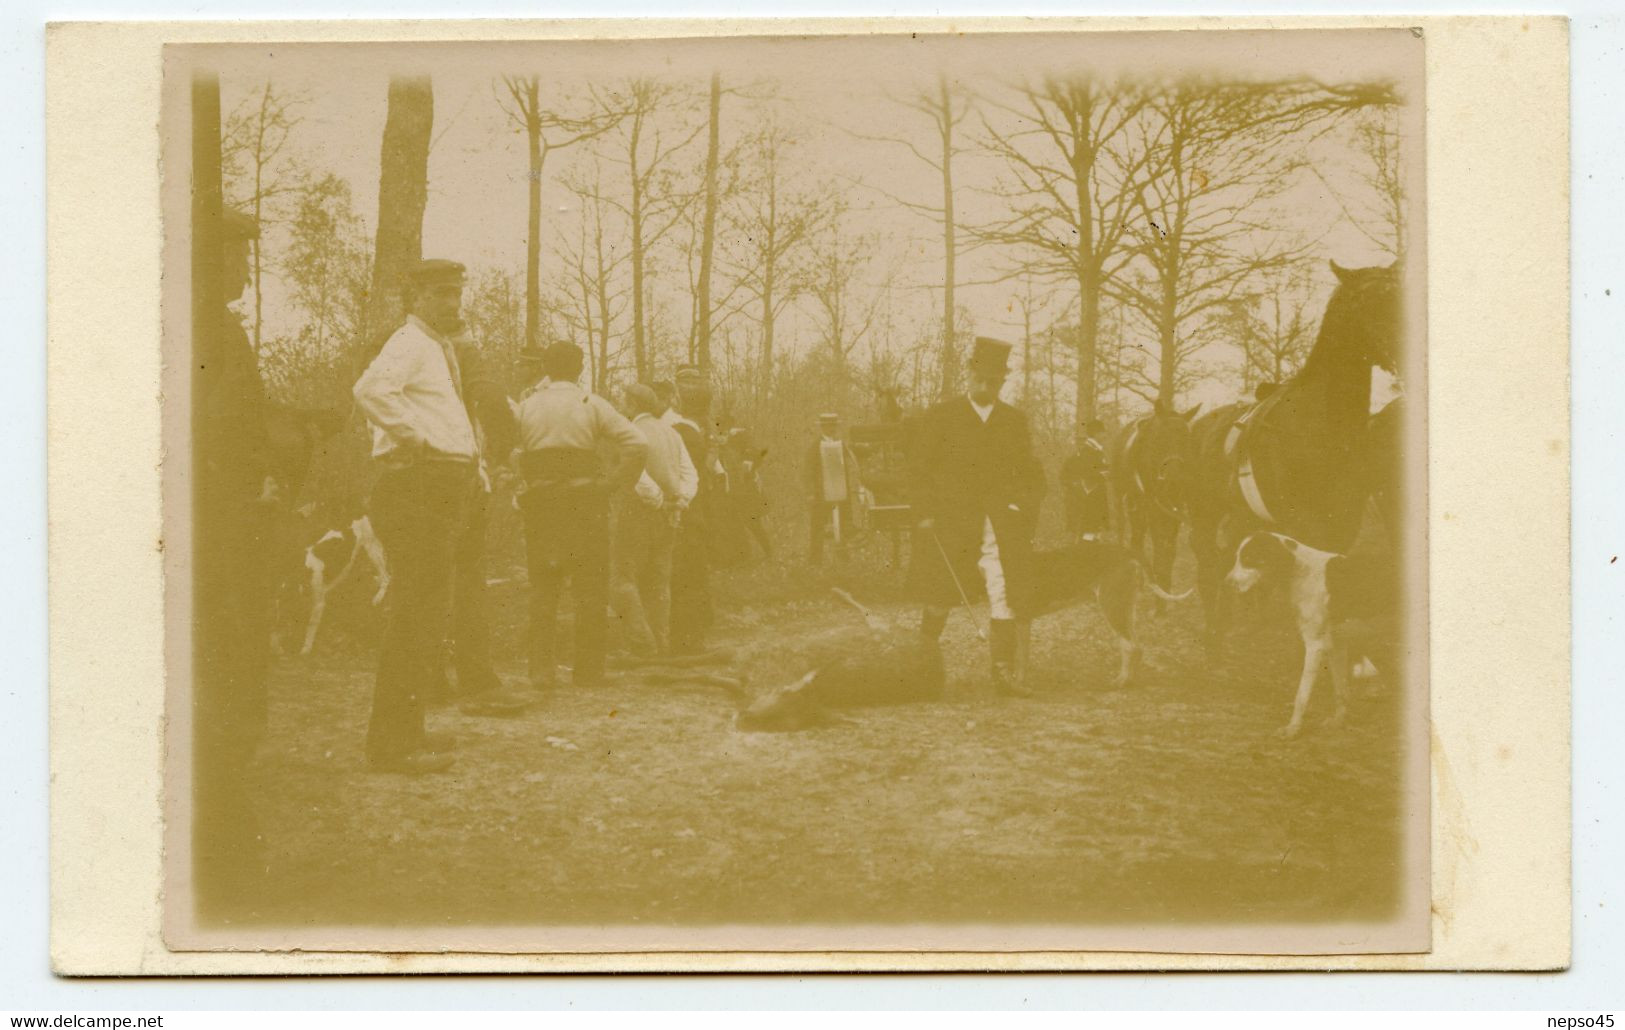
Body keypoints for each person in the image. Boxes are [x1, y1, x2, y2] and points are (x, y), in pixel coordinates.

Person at [352, 258, 480, 774]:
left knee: (425, 616)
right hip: (417, 487)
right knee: (411, 616)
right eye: (440, 293)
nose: (451, 302)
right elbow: (368, 392)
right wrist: (417, 440)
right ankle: (390, 745)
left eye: (456, 293)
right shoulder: (409, 343)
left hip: (440, 487)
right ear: (417, 297)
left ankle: (409, 732)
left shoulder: (435, 349)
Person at [905, 336, 1047, 696]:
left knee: (1003, 592)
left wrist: (1020, 509)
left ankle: (1003, 672)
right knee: (939, 594)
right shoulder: (942, 416)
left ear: (1003, 381)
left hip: (997, 525)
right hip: (949, 523)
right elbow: (918, 470)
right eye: (979, 379)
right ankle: (921, 670)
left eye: (994, 382)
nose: (985, 387)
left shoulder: (1014, 422)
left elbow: (1031, 476)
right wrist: (923, 513)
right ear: (968, 374)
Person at [514, 342, 647, 688]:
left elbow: (504, 449)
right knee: (590, 586)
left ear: (545, 367)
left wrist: (519, 483)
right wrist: (613, 484)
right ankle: (588, 673)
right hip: (584, 501)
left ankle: (541, 671)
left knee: (543, 585)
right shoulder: (592, 404)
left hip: (541, 503)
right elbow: (638, 444)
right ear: (580, 368)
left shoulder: (526, 406)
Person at [610, 383, 697, 657]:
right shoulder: (672, 433)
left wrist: (658, 499)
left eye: (624, 401)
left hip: (638, 513)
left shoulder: (628, 433)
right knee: (659, 580)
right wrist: (680, 500)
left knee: (624, 578)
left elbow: (635, 475)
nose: (621, 406)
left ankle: (642, 644)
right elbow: (691, 474)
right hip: (670, 516)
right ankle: (661, 643)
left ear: (634, 405)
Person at [664, 366, 719, 655]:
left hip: (687, 503)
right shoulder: (688, 428)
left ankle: (688, 633)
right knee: (690, 569)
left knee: (688, 568)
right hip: (692, 502)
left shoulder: (688, 428)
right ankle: (690, 631)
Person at [805, 412, 862, 565]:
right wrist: (810, 492)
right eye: (828, 426)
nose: (831, 429)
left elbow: (852, 455)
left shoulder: (840, 444)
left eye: (833, 426)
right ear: (823, 427)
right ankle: (815, 559)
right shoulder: (816, 445)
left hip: (840, 488)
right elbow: (808, 469)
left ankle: (843, 556)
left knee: (843, 522)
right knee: (817, 525)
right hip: (821, 492)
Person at [1060, 418, 1111, 542]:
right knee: (1089, 529)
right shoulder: (1088, 451)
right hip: (1090, 496)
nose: (1105, 435)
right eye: (1103, 432)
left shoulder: (1095, 450)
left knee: (1094, 530)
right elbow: (1088, 472)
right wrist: (1105, 474)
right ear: (1096, 433)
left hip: (1095, 495)